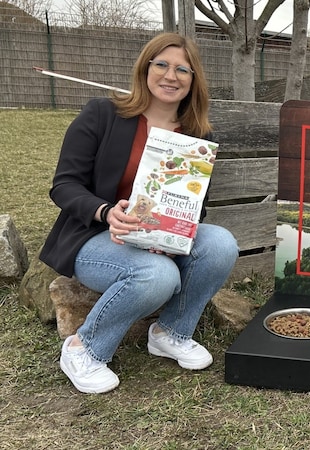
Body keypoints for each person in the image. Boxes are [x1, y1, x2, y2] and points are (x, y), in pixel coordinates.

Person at [40, 33, 239, 394]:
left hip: (157, 236)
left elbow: (197, 205)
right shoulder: (102, 114)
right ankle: (82, 348)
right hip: (95, 236)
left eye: (183, 69)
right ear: (145, 68)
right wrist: (105, 212)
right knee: (157, 274)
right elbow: (64, 185)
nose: (171, 75)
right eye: (161, 64)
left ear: (193, 81)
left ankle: (170, 333)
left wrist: (171, 234)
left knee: (221, 244)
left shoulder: (197, 137)